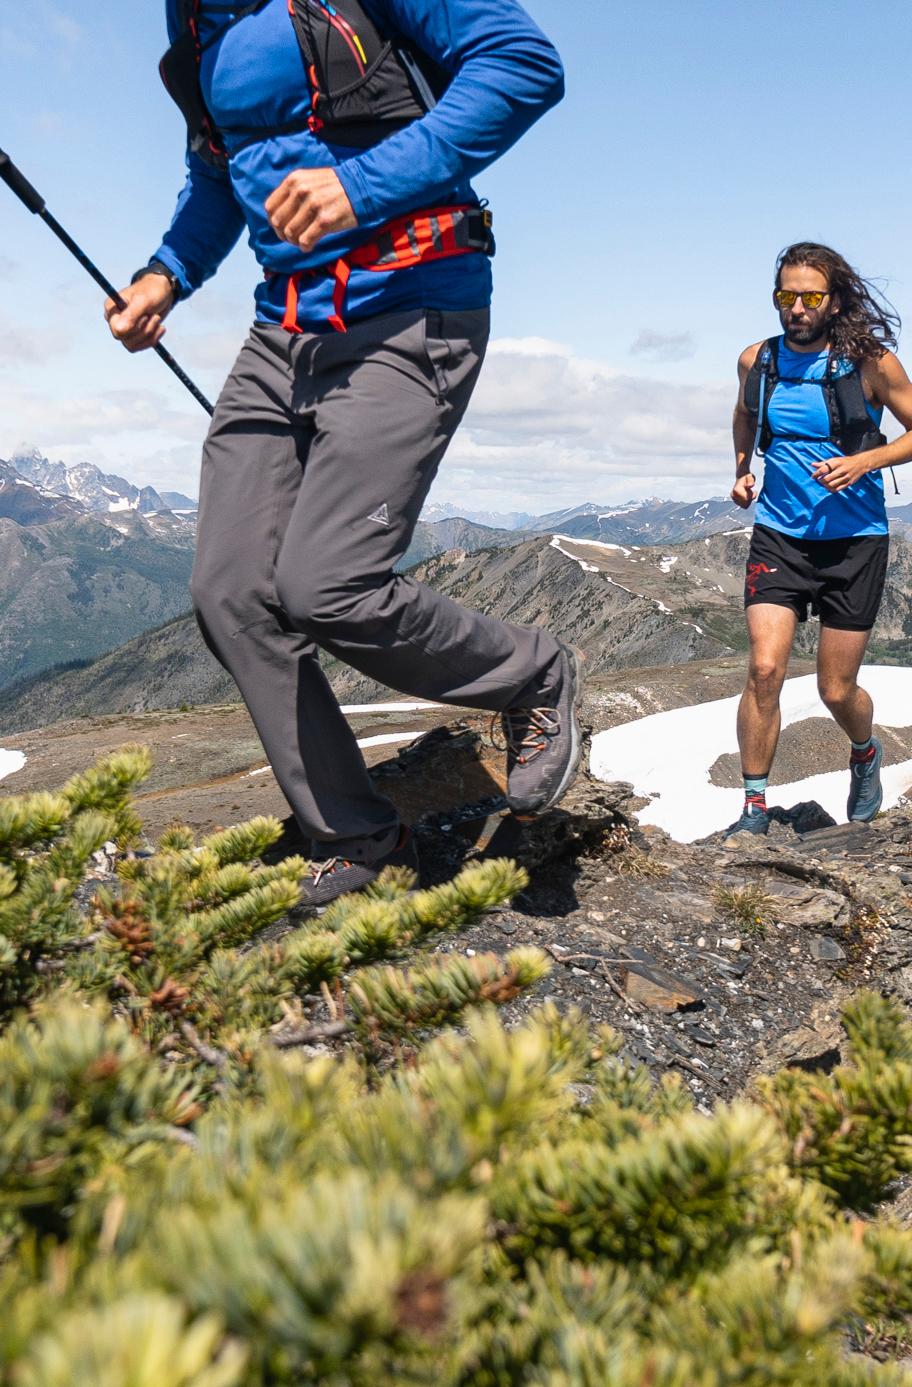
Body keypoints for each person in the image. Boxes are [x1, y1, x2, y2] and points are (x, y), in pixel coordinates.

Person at [105, 0, 579, 906]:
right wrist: (167, 272)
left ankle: (535, 673)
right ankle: (355, 832)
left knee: (327, 585)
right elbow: (222, 167)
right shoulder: (195, 18)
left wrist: (360, 187)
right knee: (232, 590)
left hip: (412, 303)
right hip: (283, 327)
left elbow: (524, 66)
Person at [721, 242, 912, 837]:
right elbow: (744, 416)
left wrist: (863, 463)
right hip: (779, 536)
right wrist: (742, 467)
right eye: (785, 296)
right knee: (765, 670)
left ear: (833, 299)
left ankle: (865, 752)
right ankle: (754, 808)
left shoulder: (870, 364)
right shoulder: (756, 362)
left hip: (855, 541)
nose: (796, 307)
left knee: (834, 689)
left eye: (810, 296)